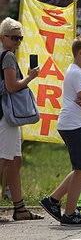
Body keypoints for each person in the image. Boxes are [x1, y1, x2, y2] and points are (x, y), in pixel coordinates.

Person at [39, 36, 81, 226]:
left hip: (79, 122)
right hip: (74, 125)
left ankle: (53, 200)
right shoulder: (76, 72)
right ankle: (69, 214)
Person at [0, 17, 42, 221]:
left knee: (15, 161)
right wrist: (30, 77)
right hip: (6, 116)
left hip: (6, 115)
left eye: (20, 38)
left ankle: (20, 208)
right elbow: (11, 86)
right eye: (14, 37)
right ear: (3, 37)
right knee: (6, 160)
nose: (17, 42)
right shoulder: (7, 56)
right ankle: (18, 208)